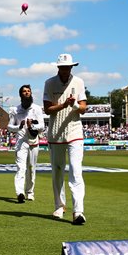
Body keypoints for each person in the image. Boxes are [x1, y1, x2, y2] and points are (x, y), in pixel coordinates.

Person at [43, 53, 87, 226]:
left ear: (71, 67)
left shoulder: (79, 82)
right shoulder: (49, 83)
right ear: (58, 68)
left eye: (68, 67)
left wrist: (74, 105)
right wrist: (64, 105)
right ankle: (59, 206)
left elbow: (83, 108)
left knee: (76, 171)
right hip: (55, 133)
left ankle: (78, 211)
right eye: (63, 67)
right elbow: (47, 109)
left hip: (75, 132)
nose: (65, 70)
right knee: (58, 171)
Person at [7, 85, 44, 203]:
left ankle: (30, 192)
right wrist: (19, 126)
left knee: (31, 168)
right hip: (21, 142)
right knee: (21, 168)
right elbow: (9, 126)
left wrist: (31, 125)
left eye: (28, 91)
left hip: (33, 140)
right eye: (24, 91)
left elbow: (42, 126)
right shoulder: (14, 110)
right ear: (20, 94)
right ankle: (20, 193)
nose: (27, 93)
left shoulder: (37, 109)